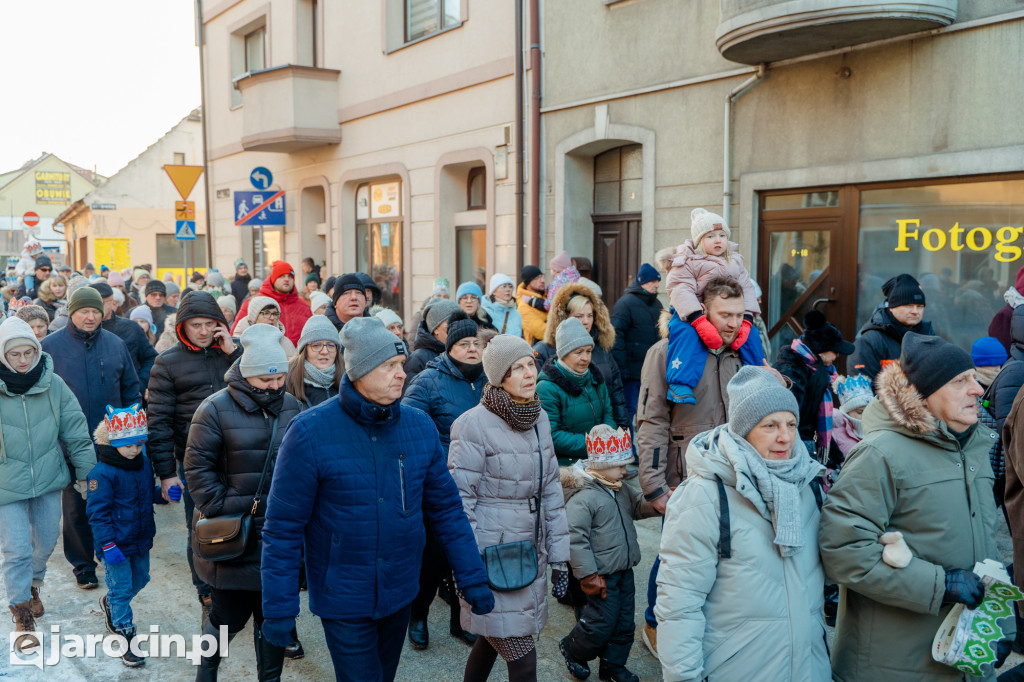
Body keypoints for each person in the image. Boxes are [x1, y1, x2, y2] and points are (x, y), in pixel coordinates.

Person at [260, 316, 493, 681]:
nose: (401, 374)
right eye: (388, 366)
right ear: (359, 372)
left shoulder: (418, 427)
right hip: (343, 595)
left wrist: (472, 577)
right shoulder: (309, 432)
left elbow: (447, 510)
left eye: (401, 364)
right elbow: (283, 528)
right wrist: (279, 609)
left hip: (400, 589)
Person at [820, 332, 1011, 681]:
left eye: (973, 378)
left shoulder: (973, 449)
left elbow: (985, 546)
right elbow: (842, 550)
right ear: (922, 395)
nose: (978, 390)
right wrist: (940, 585)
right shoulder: (879, 454)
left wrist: (1000, 625)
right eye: (960, 381)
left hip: (960, 658)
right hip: (892, 665)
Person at [656, 366, 830, 681]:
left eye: (791, 424)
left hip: (808, 668)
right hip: (738, 669)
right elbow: (679, 607)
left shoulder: (806, 485)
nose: (785, 437)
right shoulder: (703, 497)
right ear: (744, 429)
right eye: (770, 425)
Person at [447, 334, 569, 682]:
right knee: (523, 658)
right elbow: (459, 504)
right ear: (499, 377)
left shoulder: (538, 417)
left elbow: (551, 491)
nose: (529, 373)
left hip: (530, 552)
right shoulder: (472, 425)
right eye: (517, 368)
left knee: (491, 639)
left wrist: (559, 556)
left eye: (530, 363)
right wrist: (467, 571)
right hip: (490, 558)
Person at [636, 276, 747, 655]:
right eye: (724, 314)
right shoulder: (666, 351)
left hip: (733, 475)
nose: (733, 323)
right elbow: (651, 421)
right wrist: (653, 484)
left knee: (723, 556)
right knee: (675, 557)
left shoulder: (742, 353)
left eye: (739, 314)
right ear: (703, 310)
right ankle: (654, 621)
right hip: (683, 479)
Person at [185, 324, 301, 680]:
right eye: (268, 380)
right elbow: (197, 468)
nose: (276, 386)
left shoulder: (293, 406)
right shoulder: (215, 409)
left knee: (274, 621)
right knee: (224, 619)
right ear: (249, 375)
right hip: (233, 537)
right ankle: (206, 674)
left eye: (281, 377)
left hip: (279, 537)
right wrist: (225, 510)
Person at [146, 290, 240, 624]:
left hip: (240, 454)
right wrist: (165, 472)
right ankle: (204, 584)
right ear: (183, 326)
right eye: (195, 324)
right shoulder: (167, 362)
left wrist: (235, 354)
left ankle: (235, 580)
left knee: (242, 521)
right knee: (200, 525)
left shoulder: (233, 353)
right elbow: (158, 421)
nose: (202, 331)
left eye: (209, 324)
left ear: (220, 324)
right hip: (194, 460)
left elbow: (262, 390)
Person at [0, 317, 94, 652]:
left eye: (29, 353)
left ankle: (33, 583)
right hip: (5, 483)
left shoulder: (52, 384)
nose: (23, 360)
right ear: (2, 356)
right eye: (15, 355)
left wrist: (87, 475)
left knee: (46, 540)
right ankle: (22, 613)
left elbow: (76, 431)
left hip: (47, 476)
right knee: (17, 549)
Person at [41, 286, 141, 590]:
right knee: (76, 506)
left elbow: (130, 390)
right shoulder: (50, 347)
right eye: (84, 311)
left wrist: (128, 438)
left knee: (112, 500)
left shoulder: (115, 344)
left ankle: (110, 552)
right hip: (69, 442)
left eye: (96, 311)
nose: (91, 317)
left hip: (109, 439)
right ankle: (83, 565)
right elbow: (42, 397)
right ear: (71, 312)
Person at [402, 310, 486, 649]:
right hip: (441, 481)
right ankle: (417, 615)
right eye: (463, 344)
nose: (471, 349)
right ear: (449, 347)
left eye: (476, 343)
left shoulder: (491, 378)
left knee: (467, 554)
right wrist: (441, 458)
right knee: (434, 559)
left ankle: (461, 620)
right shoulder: (429, 379)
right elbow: (409, 426)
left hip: (481, 480)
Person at [559, 425, 656, 682]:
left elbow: (637, 506)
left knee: (624, 623)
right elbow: (574, 538)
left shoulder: (619, 488)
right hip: (600, 575)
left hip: (624, 570)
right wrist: (587, 574)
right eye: (621, 465)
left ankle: (613, 667)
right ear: (601, 465)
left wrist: (657, 503)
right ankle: (573, 648)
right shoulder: (584, 497)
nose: (625, 471)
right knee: (600, 623)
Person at [88, 403, 171, 668]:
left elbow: (146, 495)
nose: (134, 450)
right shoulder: (101, 474)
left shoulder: (143, 464)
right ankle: (125, 635)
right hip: (115, 543)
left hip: (140, 538)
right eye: (128, 445)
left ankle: (111, 602)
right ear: (112, 443)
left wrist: (163, 495)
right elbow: (97, 514)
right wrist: (108, 545)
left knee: (142, 578)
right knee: (122, 589)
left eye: (138, 444)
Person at [664, 208, 763, 405]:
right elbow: (680, 289)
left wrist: (748, 318)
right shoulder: (688, 260)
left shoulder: (734, 261)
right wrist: (697, 319)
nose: (718, 240)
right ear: (699, 241)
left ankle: (757, 376)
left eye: (722, 235)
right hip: (691, 312)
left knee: (752, 336)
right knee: (685, 334)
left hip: (727, 312)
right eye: (710, 236)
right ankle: (680, 383)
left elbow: (747, 288)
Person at [533, 282, 630, 437]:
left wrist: (622, 427)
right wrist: (592, 442)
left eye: (590, 315)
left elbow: (616, 392)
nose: (586, 321)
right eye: (579, 316)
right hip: (572, 444)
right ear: (565, 317)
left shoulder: (602, 347)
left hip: (601, 439)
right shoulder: (544, 350)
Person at [772, 310, 855, 463]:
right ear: (821, 349)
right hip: (793, 447)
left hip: (806, 444)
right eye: (835, 351)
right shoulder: (794, 370)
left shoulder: (817, 370)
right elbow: (789, 417)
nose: (837, 356)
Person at [537, 317, 616, 465]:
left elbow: (608, 413)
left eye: (588, 351)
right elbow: (551, 435)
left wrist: (608, 435)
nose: (585, 358)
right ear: (563, 353)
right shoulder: (547, 388)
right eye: (578, 352)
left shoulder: (596, 379)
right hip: (566, 466)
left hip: (599, 460)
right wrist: (594, 444)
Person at [848, 273, 934, 386]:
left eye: (920, 307)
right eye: (908, 306)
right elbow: (863, 394)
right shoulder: (868, 342)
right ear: (892, 308)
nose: (915, 311)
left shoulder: (930, 337)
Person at [610, 263, 664, 437]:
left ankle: (644, 450)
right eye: (652, 282)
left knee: (649, 411)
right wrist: (621, 367)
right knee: (629, 410)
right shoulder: (625, 304)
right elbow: (615, 337)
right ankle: (627, 450)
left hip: (651, 370)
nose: (656, 285)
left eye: (657, 282)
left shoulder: (657, 304)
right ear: (642, 282)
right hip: (631, 373)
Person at [93, 282, 158, 388]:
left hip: (127, 397)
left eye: (102, 302)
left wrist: (139, 385)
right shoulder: (80, 331)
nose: (97, 307)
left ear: (113, 303)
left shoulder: (131, 328)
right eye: (94, 302)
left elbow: (151, 358)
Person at [232, 261, 312, 346]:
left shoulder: (304, 307)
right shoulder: (253, 303)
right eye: (281, 276)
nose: (286, 279)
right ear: (273, 279)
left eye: (290, 276)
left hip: (297, 357)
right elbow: (236, 336)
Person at [284, 315, 343, 409]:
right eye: (316, 345)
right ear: (305, 350)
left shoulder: (348, 381)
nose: (325, 351)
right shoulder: (287, 383)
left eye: (331, 345)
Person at [404, 299, 461, 390]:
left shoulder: (465, 352)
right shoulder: (418, 359)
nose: (457, 329)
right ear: (435, 329)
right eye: (450, 324)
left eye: (460, 323)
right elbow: (410, 397)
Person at [829, 374, 873, 484]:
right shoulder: (834, 432)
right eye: (860, 412)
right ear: (846, 412)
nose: (866, 415)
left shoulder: (879, 430)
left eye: (870, 410)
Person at [232, 296, 297, 358]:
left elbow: (295, 366)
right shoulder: (238, 342)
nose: (272, 318)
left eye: (275, 314)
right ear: (254, 316)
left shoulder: (285, 342)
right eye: (266, 313)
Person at [517, 265, 548, 345]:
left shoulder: (545, 297)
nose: (542, 281)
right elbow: (542, 332)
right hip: (538, 352)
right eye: (537, 278)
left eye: (542, 277)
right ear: (528, 284)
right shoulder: (523, 306)